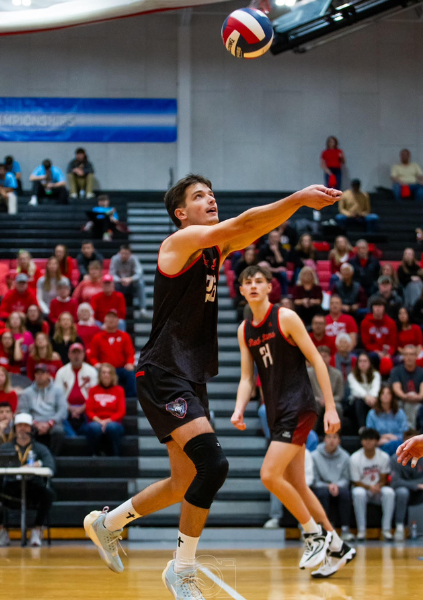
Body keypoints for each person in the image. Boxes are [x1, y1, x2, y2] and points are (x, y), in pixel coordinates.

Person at [83, 174, 340, 598]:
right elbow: (240, 227)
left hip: (189, 375)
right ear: (180, 213)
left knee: (183, 482)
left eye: (212, 194)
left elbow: (251, 228)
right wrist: (297, 198)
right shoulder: (179, 244)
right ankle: (181, 569)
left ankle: (106, 524)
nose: (211, 199)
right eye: (200, 196)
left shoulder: (212, 250)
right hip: (164, 371)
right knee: (214, 466)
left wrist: (293, 208)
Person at [232, 265, 354, 578]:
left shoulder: (285, 317)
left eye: (259, 281)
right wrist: (238, 408)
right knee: (297, 484)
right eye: (248, 283)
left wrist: (330, 407)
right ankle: (337, 545)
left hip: (299, 407)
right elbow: (247, 377)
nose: (254, 286)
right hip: (275, 412)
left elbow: (316, 359)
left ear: (270, 287)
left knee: (269, 475)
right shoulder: (245, 330)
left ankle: (313, 535)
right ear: (242, 291)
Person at [0, 413, 56, 547]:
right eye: (19, 426)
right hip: (11, 488)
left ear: (31, 428)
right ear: (15, 428)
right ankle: (2, 530)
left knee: (49, 494)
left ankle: (37, 529)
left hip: (33, 487)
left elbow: (51, 467)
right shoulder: (5, 448)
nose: (22, 429)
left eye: (26, 426)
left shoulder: (40, 448)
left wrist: (39, 463)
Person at [391, 429, 423, 540]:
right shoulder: (395, 459)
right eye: (408, 441)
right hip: (402, 494)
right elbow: (395, 482)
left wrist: (416, 486)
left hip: (420, 494)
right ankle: (399, 529)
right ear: (403, 442)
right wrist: (417, 485)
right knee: (402, 492)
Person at [350, 427, 396, 541]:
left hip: (378, 489)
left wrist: (378, 486)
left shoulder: (383, 457)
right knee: (358, 493)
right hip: (363, 488)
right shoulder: (354, 458)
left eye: (371, 439)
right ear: (361, 441)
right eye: (365, 439)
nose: (368, 442)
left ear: (376, 441)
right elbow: (356, 481)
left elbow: (384, 478)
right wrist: (369, 487)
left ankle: (386, 530)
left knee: (389, 492)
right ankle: (361, 531)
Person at [311, 431, 355, 541]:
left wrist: (336, 485)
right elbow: (314, 479)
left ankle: (345, 529)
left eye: (335, 437)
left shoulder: (345, 456)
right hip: (322, 486)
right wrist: (327, 485)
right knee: (322, 493)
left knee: (345, 494)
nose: (331, 440)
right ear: (324, 439)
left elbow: (346, 478)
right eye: (329, 437)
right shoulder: (315, 456)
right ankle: (323, 529)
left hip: (338, 485)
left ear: (339, 440)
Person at [17, 363, 67, 455]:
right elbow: (24, 411)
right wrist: (35, 423)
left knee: (58, 432)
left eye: (42, 373)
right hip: (34, 423)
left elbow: (62, 410)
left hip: (53, 422)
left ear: (48, 374)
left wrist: (50, 423)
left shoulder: (58, 390)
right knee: (26, 430)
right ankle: (31, 455)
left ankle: (52, 457)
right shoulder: (27, 392)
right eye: (37, 373)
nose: (39, 376)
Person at [88, 310, 136, 397]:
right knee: (93, 372)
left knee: (130, 373)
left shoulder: (125, 336)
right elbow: (92, 356)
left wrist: (130, 363)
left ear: (118, 321)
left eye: (113, 317)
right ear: (105, 320)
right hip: (103, 369)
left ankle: (131, 399)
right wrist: (96, 364)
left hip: (120, 369)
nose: (111, 320)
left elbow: (130, 354)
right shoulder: (97, 337)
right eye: (109, 317)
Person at [54, 343, 97, 436]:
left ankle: (78, 436)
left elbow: (95, 395)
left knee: (92, 419)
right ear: (69, 355)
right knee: (60, 416)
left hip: (86, 407)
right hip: (66, 407)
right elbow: (58, 395)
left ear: (83, 354)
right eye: (74, 353)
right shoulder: (61, 372)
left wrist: (82, 408)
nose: (76, 356)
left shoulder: (92, 371)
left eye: (79, 353)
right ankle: (73, 437)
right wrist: (69, 408)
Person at [84, 363, 126, 456]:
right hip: (96, 421)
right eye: (103, 372)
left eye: (109, 373)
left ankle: (116, 455)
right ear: (100, 375)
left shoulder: (119, 390)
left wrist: (107, 421)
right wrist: (100, 421)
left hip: (113, 422)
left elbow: (121, 411)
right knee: (95, 428)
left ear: (113, 375)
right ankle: (92, 454)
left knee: (112, 428)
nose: (106, 375)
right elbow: (89, 410)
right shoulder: (93, 390)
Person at [389, 345, 423, 426]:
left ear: (416, 356)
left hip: (418, 403)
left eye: (411, 354)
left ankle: (412, 430)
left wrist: (417, 397)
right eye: (406, 354)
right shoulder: (396, 371)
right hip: (401, 402)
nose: (409, 357)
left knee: (419, 408)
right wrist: (405, 396)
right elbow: (397, 389)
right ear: (403, 356)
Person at [306, 346, 344, 435]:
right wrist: (318, 399)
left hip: (332, 402)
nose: (323, 358)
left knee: (338, 408)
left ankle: (334, 436)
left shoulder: (337, 374)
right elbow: (306, 392)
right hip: (315, 401)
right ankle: (310, 436)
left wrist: (328, 401)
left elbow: (340, 395)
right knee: (313, 406)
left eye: (325, 356)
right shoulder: (309, 373)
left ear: (330, 358)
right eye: (320, 356)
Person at [367, 386, 409, 456]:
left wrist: (390, 437)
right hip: (379, 444)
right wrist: (380, 439)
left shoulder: (400, 413)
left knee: (396, 445)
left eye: (388, 393)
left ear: (392, 396)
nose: (385, 396)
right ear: (379, 396)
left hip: (397, 443)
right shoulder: (372, 414)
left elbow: (404, 433)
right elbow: (370, 433)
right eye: (383, 393)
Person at [110, 244, 149, 318]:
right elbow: (112, 274)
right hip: (119, 284)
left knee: (140, 283)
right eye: (122, 253)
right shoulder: (114, 259)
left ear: (130, 254)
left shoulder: (134, 259)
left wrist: (130, 279)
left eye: (126, 254)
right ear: (119, 253)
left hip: (131, 284)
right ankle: (114, 309)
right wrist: (120, 280)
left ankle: (142, 309)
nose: (124, 255)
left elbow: (139, 273)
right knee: (111, 284)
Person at [361, 299, 397, 375]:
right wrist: (377, 351)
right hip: (372, 352)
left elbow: (392, 343)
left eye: (380, 306)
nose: (378, 308)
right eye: (375, 306)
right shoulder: (365, 323)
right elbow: (366, 343)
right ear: (372, 308)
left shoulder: (391, 323)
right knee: (372, 357)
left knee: (396, 360)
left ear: (384, 308)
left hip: (387, 352)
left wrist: (388, 354)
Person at [348, 353, 380, 433]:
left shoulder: (376, 374)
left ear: (369, 363)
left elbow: (376, 388)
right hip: (355, 403)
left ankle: (376, 428)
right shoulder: (352, 375)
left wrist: (372, 397)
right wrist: (367, 397)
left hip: (372, 401)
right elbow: (356, 389)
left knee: (379, 401)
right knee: (359, 401)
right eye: (360, 361)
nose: (363, 363)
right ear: (357, 363)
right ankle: (362, 428)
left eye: (365, 361)